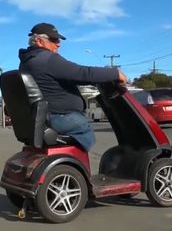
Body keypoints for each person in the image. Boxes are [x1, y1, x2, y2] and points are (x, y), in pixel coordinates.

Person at [19, 23, 127, 151]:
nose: (58, 44)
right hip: (59, 117)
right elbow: (81, 72)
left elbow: (68, 77)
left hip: (44, 116)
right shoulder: (47, 59)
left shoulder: (27, 62)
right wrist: (115, 73)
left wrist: (94, 81)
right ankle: (76, 164)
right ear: (39, 41)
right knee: (85, 129)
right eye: (54, 40)